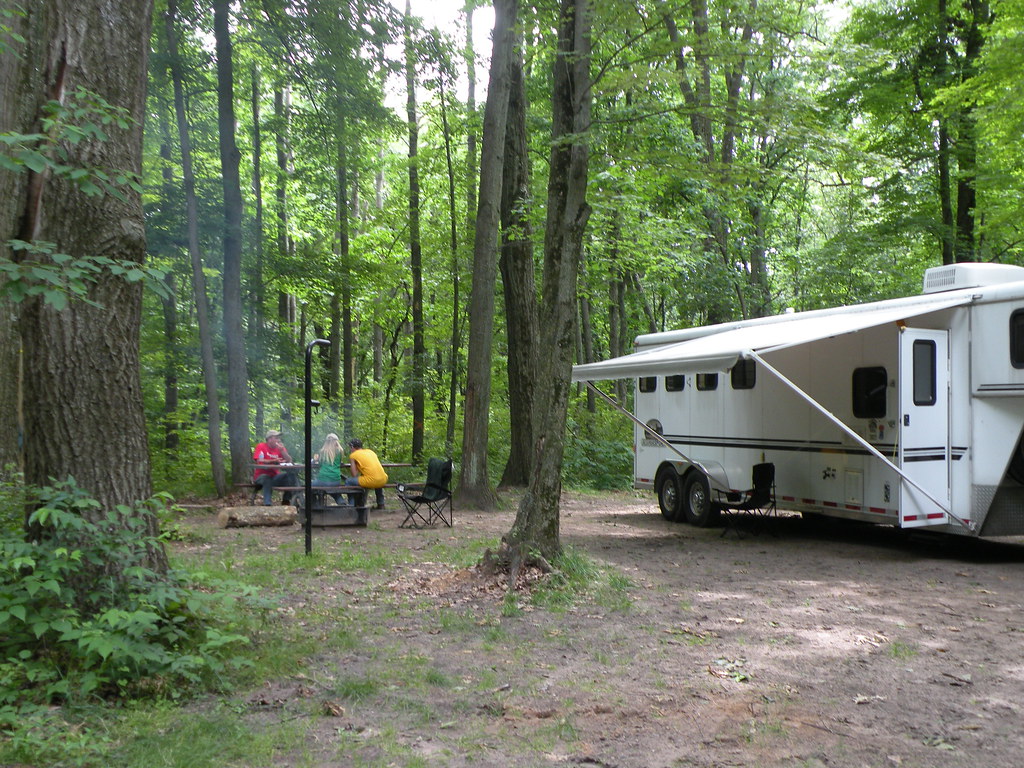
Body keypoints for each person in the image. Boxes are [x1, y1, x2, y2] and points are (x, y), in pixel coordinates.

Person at [253, 430, 297, 505]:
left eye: (279, 438)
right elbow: (259, 460)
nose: (278, 440)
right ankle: (267, 503)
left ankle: (286, 500)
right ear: (269, 439)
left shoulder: (279, 448)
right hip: (261, 476)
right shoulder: (261, 446)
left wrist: (283, 451)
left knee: (291, 476)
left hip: (275, 476)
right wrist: (273, 461)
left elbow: (289, 460)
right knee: (266, 478)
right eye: (276, 438)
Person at [345, 438, 388, 508]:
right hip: (383, 478)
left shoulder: (353, 455)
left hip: (372, 480)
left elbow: (354, 474)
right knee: (376, 479)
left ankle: (351, 505)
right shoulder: (370, 451)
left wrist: (352, 462)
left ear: (352, 447)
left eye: (350, 447)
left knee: (348, 482)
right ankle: (381, 503)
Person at [312, 433, 345, 504]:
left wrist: (315, 461)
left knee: (310, 487)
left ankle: (316, 505)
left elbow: (320, 464)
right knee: (335, 493)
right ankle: (342, 502)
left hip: (323, 479)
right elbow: (339, 463)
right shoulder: (340, 451)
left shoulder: (323, 451)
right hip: (336, 480)